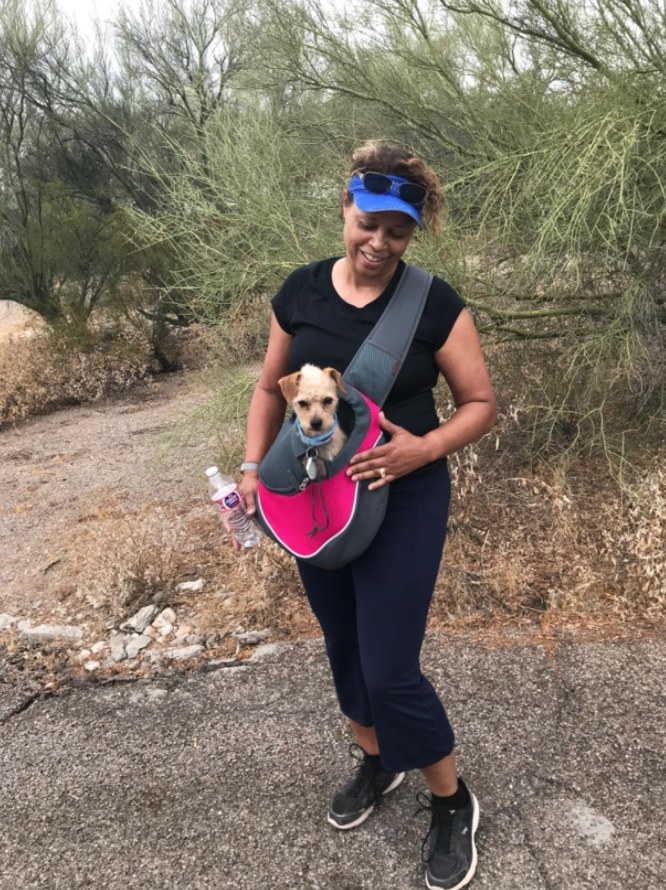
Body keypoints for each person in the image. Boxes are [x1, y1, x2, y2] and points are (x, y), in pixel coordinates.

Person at [237, 141, 496, 890]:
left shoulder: (434, 303)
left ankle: (449, 800)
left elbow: (480, 404)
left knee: (389, 665)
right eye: (369, 223)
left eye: (399, 232)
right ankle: (379, 760)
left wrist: (424, 449)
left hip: (404, 493)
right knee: (345, 648)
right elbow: (265, 391)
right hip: (313, 496)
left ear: (412, 235)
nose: (379, 243)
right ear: (345, 209)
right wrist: (254, 469)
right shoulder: (302, 291)